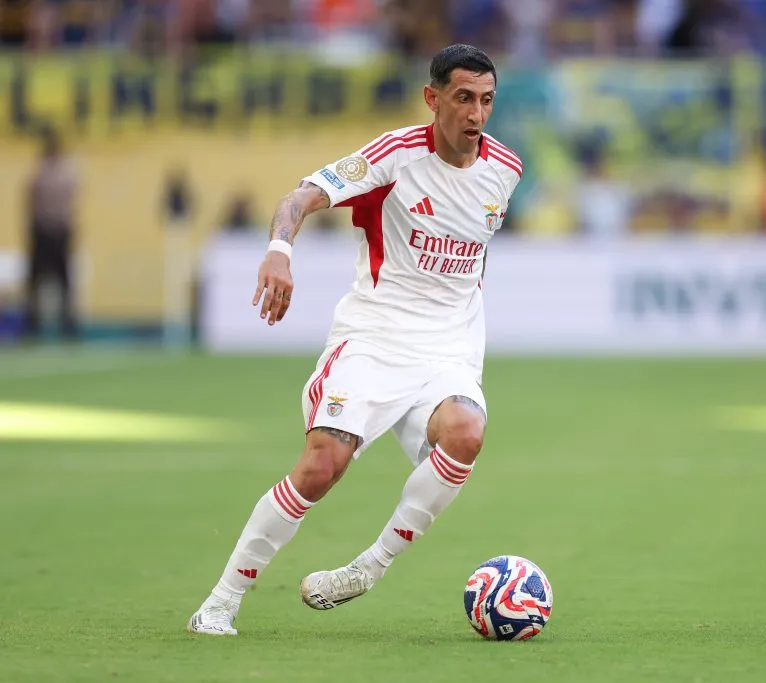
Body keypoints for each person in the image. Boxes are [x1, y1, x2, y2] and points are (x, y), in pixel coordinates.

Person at [188, 44, 523, 636]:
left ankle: (369, 567)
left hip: (447, 349)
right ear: (433, 99)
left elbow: (473, 256)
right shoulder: (393, 157)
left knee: (467, 431)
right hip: (373, 338)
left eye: (487, 101)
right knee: (323, 465)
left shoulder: (506, 170)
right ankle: (221, 600)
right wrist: (278, 251)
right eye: (464, 98)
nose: (476, 114)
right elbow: (298, 196)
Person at [24, 125, 79, 342]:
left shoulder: (44, 174)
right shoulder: (61, 174)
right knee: (44, 281)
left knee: (56, 281)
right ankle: (44, 326)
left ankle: (58, 326)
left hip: (50, 230)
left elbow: (30, 201)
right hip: (53, 230)